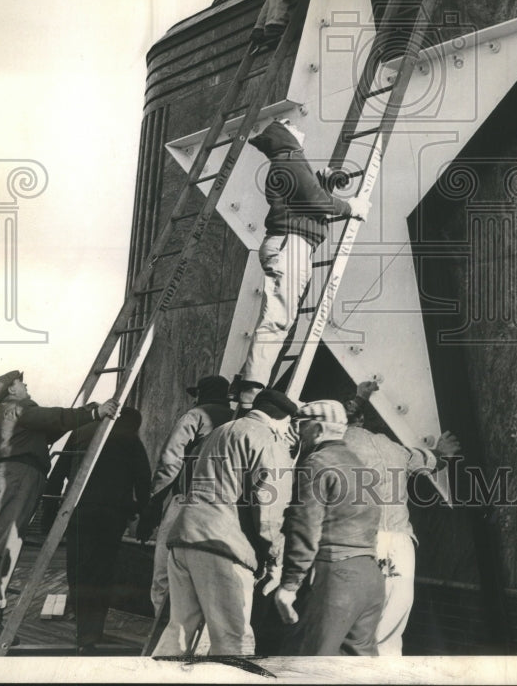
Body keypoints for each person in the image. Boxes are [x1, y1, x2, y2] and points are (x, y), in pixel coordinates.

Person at [0, 369, 118, 643]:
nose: (25, 384)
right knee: (6, 546)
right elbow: (54, 418)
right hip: (20, 477)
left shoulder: (11, 416)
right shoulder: (19, 407)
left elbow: (52, 427)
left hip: (6, 478)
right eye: (20, 382)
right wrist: (94, 414)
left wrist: (85, 413)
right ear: (12, 391)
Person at [233, 118, 370, 409]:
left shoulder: (288, 162)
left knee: (282, 320)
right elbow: (315, 201)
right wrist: (351, 208)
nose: (298, 125)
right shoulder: (290, 159)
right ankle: (251, 393)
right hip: (290, 244)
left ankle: (251, 385)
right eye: (289, 123)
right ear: (283, 133)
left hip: (290, 244)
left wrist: (324, 181)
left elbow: (304, 198)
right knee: (278, 320)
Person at [151, 387, 297, 658]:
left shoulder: (222, 431)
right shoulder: (268, 441)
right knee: (234, 639)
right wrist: (274, 557)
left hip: (185, 538)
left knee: (179, 632)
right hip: (223, 548)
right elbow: (269, 511)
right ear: (281, 420)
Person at [343, 380, 461, 655]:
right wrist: (443, 452)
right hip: (400, 546)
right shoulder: (396, 449)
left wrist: (359, 398)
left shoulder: (337, 443)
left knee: (353, 629)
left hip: (362, 543)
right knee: (390, 634)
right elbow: (435, 460)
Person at [273, 399, 384, 656]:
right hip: (370, 577)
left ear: (318, 430)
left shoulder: (316, 463)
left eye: (302, 426)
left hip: (337, 578)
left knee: (308, 664)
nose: (298, 434)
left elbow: (305, 528)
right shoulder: (361, 467)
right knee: (357, 669)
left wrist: (290, 585)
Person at [44, 406, 151, 653]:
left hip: (78, 513)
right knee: (102, 575)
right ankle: (92, 633)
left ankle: (84, 633)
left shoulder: (81, 432)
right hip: (111, 517)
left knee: (78, 571)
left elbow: (58, 473)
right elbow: (143, 480)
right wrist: (144, 517)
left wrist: (49, 517)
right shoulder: (130, 438)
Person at [137, 373, 233, 613]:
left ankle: (162, 634)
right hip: (224, 508)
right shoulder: (237, 419)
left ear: (200, 395)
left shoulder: (195, 416)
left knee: (164, 574)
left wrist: (153, 505)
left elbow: (170, 462)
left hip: (187, 501)